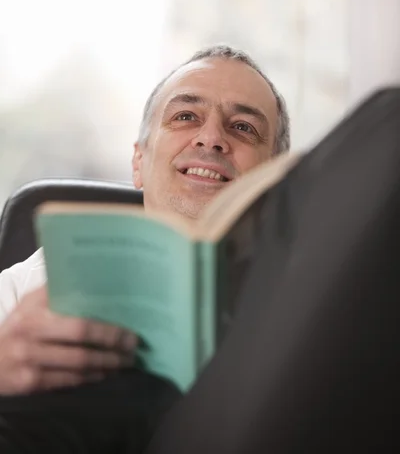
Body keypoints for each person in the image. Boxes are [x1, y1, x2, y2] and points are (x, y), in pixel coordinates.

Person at [0, 45, 290, 453]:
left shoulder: (309, 306)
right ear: (139, 161)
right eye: (185, 116)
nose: (211, 138)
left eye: (243, 127)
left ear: (275, 182)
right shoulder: (18, 293)